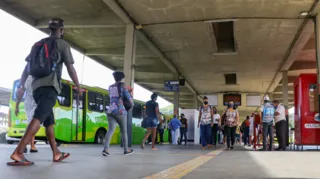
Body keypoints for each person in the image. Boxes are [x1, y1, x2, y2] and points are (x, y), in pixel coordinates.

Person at [8, 17, 81, 166]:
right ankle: (18, 152)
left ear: (49, 29)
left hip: (36, 87)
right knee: (38, 117)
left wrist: (22, 86)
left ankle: (56, 153)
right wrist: (78, 86)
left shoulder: (37, 45)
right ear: (61, 30)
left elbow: (26, 69)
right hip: (50, 86)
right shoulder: (62, 44)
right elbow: (70, 68)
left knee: (49, 123)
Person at [102, 71, 134, 156]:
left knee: (110, 130)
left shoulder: (110, 87)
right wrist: (130, 93)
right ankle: (126, 150)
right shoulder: (123, 86)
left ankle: (106, 149)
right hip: (120, 111)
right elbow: (130, 100)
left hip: (111, 110)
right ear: (122, 78)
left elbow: (112, 97)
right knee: (124, 132)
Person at [15, 75, 38, 153]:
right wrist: (16, 106)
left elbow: (21, 92)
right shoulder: (35, 76)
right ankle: (25, 145)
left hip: (29, 102)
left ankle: (31, 145)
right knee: (33, 124)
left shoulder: (28, 77)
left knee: (32, 123)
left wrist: (17, 106)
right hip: (34, 102)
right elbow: (21, 92)